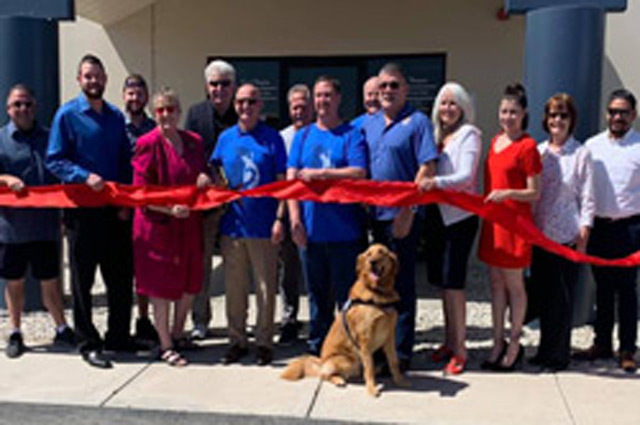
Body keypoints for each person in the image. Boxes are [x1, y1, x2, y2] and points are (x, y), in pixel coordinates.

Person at [46, 54, 142, 369]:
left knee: (119, 276)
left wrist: (126, 203)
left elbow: (125, 162)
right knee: (83, 280)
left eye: (98, 76)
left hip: (114, 211)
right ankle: (88, 341)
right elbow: (55, 159)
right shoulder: (67, 115)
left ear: (105, 79)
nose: (93, 81)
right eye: (88, 76)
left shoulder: (116, 117)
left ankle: (119, 336)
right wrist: (83, 176)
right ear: (79, 80)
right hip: (82, 212)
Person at [361, 63, 438, 371]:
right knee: (377, 286)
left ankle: (402, 353)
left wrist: (408, 210)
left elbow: (427, 168)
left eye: (394, 85)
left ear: (406, 89)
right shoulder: (367, 124)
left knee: (401, 285)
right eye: (383, 87)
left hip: (402, 218)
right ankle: (380, 348)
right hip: (373, 218)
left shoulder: (417, 122)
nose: (388, 91)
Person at [287, 75, 368, 356]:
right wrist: (295, 220)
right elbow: (291, 182)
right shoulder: (303, 136)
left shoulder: (351, 135)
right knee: (317, 297)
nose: (322, 101)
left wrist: (321, 174)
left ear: (338, 99)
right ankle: (319, 347)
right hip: (311, 231)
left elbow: (359, 173)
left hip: (345, 234)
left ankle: (349, 347)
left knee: (348, 298)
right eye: (318, 96)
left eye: (327, 95)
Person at [132, 88, 210, 367]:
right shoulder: (147, 143)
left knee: (190, 280)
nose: (167, 114)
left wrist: (203, 177)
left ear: (179, 111)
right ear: (155, 114)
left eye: (171, 108)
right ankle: (165, 344)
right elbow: (141, 193)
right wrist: (168, 208)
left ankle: (178, 332)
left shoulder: (193, 141)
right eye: (161, 110)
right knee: (161, 286)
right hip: (157, 226)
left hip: (188, 223)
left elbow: (201, 170)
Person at [210, 84, 287, 366]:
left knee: (266, 288)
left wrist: (280, 219)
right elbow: (215, 173)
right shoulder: (225, 138)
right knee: (235, 287)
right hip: (233, 227)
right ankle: (236, 340)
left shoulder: (272, 139)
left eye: (251, 101)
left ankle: (264, 342)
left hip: (264, 227)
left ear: (260, 106)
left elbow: (282, 184)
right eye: (241, 101)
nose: (245, 106)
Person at [0, 84, 75, 358]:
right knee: (14, 282)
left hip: (46, 226)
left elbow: (61, 174)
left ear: (35, 107)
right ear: (8, 109)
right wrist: (6, 179)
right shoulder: (1, 139)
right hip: (12, 228)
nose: (23, 109)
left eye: (28, 104)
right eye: (17, 105)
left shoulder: (49, 138)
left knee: (51, 280)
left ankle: (61, 327)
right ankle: (16, 332)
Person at [416, 82, 481, 375]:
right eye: (443, 103)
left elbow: (466, 177)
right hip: (437, 217)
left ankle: (461, 349)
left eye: (453, 104)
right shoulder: (437, 136)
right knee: (442, 283)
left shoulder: (470, 134)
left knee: (454, 284)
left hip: (458, 219)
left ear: (464, 108)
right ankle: (449, 341)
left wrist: (435, 183)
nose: (447, 109)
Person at [574, 89, 640, 373]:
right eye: (613, 111)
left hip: (630, 228)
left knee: (627, 291)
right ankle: (602, 342)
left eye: (623, 112)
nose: (617, 117)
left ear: (633, 115)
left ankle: (627, 348)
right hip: (599, 227)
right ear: (606, 114)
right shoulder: (592, 146)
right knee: (601, 288)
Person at [478, 83, 542, 372]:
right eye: (504, 111)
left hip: (514, 224)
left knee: (515, 286)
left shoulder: (527, 146)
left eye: (513, 112)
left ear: (524, 114)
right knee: (495, 285)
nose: (507, 117)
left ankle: (515, 343)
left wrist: (507, 194)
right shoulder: (494, 142)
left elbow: (534, 192)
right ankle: (497, 341)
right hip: (493, 223)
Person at [529, 93, 594, 372]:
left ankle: (559, 355)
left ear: (571, 120)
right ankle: (544, 351)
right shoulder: (539, 152)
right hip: (540, 234)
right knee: (544, 296)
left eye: (563, 115)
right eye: (553, 115)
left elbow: (588, 196)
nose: (557, 120)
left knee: (563, 298)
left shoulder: (581, 153)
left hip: (568, 234)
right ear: (546, 119)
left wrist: (585, 230)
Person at [186, 59, 238, 341]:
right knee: (203, 264)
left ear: (234, 86)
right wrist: (199, 175)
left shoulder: (243, 113)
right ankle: (200, 319)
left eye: (225, 83)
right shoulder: (196, 115)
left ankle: (236, 323)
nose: (219, 89)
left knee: (236, 266)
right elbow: (187, 155)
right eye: (214, 84)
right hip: (205, 206)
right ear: (207, 86)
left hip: (236, 207)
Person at [122, 73, 158, 343]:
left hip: (148, 209)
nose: (135, 98)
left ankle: (144, 319)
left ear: (146, 96)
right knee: (122, 268)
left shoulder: (154, 129)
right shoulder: (114, 126)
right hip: (120, 208)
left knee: (145, 266)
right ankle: (122, 320)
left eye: (139, 93)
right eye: (130, 93)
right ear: (124, 96)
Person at [277, 84, 312, 345]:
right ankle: (289, 319)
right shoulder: (282, 138)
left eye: (303, 106)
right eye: (294, 107)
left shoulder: (320, 133)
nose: (299, 111)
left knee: (316, 270)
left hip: (317, 213)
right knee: (288, 271)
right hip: (289, 211)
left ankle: (320, 319)